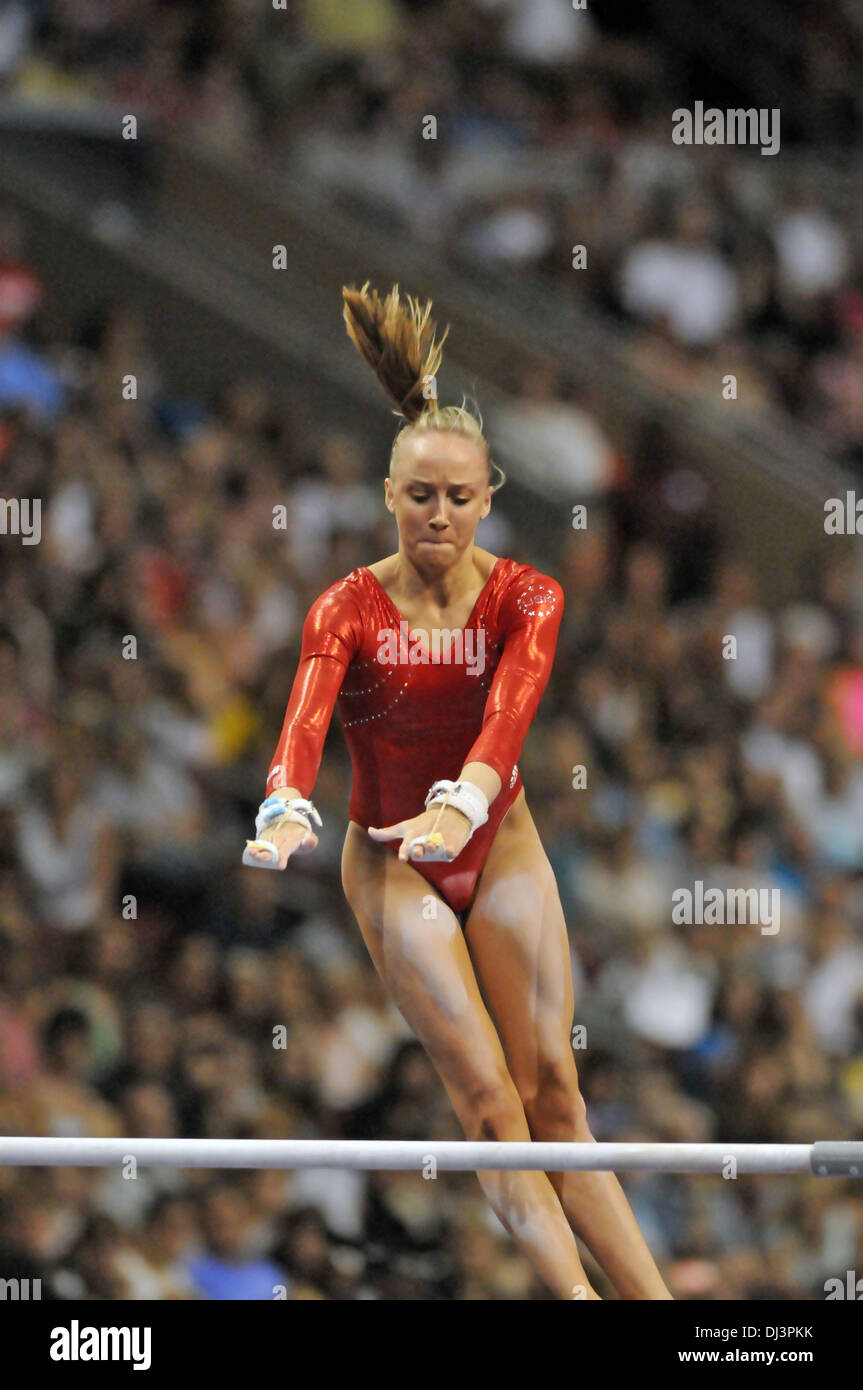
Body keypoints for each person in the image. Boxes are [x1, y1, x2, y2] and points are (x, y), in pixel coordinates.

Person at [244, 281, 672, 1300]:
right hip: (390, 863)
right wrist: (282, 804)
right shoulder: (345, 606)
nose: (437, 514)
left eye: (458, 496)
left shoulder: (530, 595)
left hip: (499, 842)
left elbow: (509, 714)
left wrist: (465, 802)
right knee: (487, 1102)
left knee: (554, 1093)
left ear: (489, 496)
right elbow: (301, 721)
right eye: (418, 495)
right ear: (390, 496)